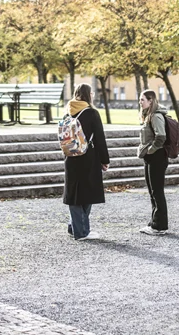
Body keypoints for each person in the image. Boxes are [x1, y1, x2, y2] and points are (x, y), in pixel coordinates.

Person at [62, 83, 110, 241]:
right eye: (92, 93)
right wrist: (105, 160)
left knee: (74, 193)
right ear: (88, 95)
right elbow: (100, 138)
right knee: (87, 193)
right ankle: (82, 232)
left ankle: (74, 227)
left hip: (71, 156)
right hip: (88, 156)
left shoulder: (68, 112)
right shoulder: (91, 113)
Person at [137, 89, 169, 236]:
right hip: (151, 157)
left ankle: (159, 226)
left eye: (142, 99)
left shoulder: (156, 116)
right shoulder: (148, 115)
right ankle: (154, 222)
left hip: (157, 157)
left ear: (151, 101)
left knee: (157, 191)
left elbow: (161, 136)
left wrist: (151, 149)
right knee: (152, 191)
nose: (140, 102)